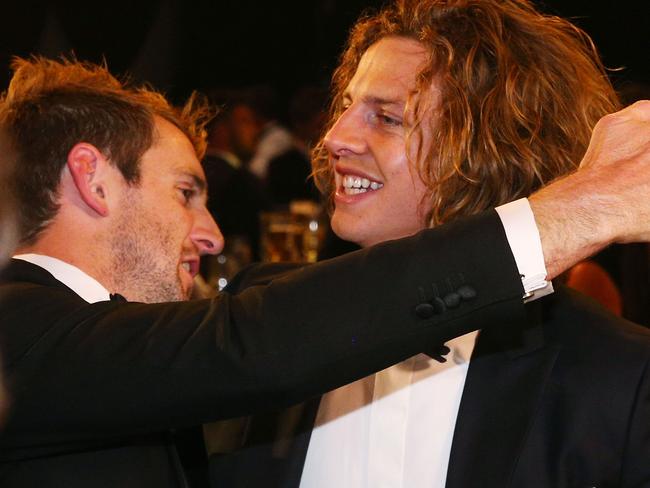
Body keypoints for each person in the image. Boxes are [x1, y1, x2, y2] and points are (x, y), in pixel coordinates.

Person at [0, 56, 648, 487]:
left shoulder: (612, 374)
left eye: (387, 116)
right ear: (93, 179)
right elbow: (252, 345)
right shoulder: (16, 329)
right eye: (185, 191)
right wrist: (578, 209)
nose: (212, 233)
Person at [209, 1, 650, 487]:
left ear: (489, 149)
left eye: (387, 118)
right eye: (347, 107)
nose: (334, 137)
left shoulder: (615, 377)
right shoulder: (261, 315)